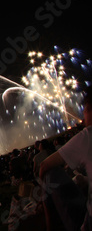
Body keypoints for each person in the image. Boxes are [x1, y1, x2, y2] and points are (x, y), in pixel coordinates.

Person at [40, 88, 92, 231]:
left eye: (86, 110)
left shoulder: (88, 135)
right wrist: (86, 181)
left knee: (51, 175)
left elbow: (44, 165)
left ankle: (50, 224)